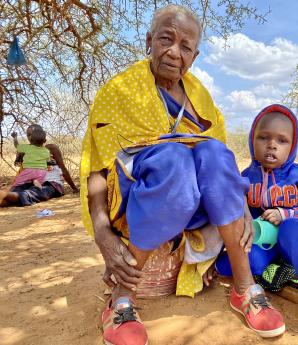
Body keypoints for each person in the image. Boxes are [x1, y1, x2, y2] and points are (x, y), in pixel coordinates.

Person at [80, 5, 284, 345]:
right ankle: (121, 299)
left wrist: (243, 210)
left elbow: (222, 166)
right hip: (138, 193)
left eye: (185, 46)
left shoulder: (200, 96)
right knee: (174, 158)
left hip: (194, 199)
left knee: (216, 153)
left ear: (195, 54)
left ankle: (245, 288)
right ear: (149, 41)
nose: (174, 52)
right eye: (166, 39)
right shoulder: (119, 90)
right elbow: (98, 169)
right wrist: (102, 231)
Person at [216, 105, 298, 345]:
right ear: (252, 140)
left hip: (294, 244)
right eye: (264, 137)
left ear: (292, 147)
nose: (272, 145)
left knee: (292, 227)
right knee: (236, 265)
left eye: (282, 140)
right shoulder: (246, 176)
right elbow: (235, 216)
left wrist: (287, 213)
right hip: (265, 244)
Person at [0, 124, 79, 207]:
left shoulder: (51, 148)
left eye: (31, 134)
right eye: (28, 135)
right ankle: (6, 197)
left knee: (38, 192)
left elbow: (63, 169)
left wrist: (74, 188)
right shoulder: (27, 151)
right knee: (16, 189)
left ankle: (10, 196)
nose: (29, 137)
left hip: (52, 183)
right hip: (33, 183)